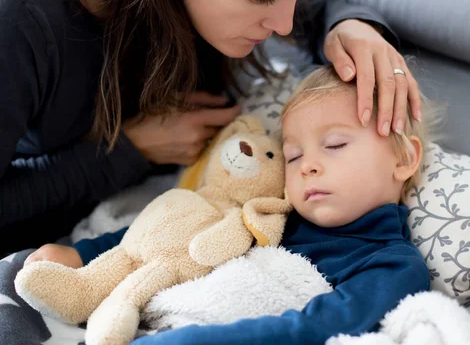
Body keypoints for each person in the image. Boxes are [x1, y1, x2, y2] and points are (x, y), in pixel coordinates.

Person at [0, 0, 422, 255]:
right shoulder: (19, 17)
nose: (283, 24)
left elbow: (314, 4)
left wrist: (349, 26)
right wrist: (129, 150)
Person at [25, 66, 432, 344]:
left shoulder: (389, 265)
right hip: (133, 310)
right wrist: (85, 253)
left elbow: (308, 330)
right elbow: (173, 232)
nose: (307, 165)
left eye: (335, 145)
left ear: (403, 159)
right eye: (291, 155)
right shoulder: (269, 212)